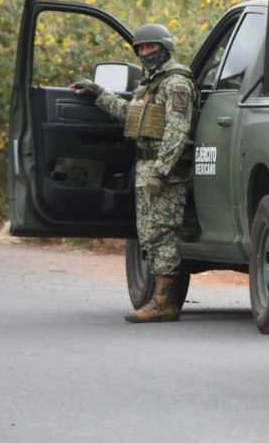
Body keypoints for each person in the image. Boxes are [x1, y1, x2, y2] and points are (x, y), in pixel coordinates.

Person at [71, 24, 195, 323]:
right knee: (150, 236)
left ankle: (165, 302)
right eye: (140, 48)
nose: (144, 52)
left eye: (150, 47)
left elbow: (177, 131)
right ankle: (160, 299)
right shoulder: (148, 85)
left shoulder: (175, 83)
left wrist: (161, 172)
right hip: (145, 168)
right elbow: (131, 115)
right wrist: (98, 93)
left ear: (164, 48)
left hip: (163, 173)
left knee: (163, 234)